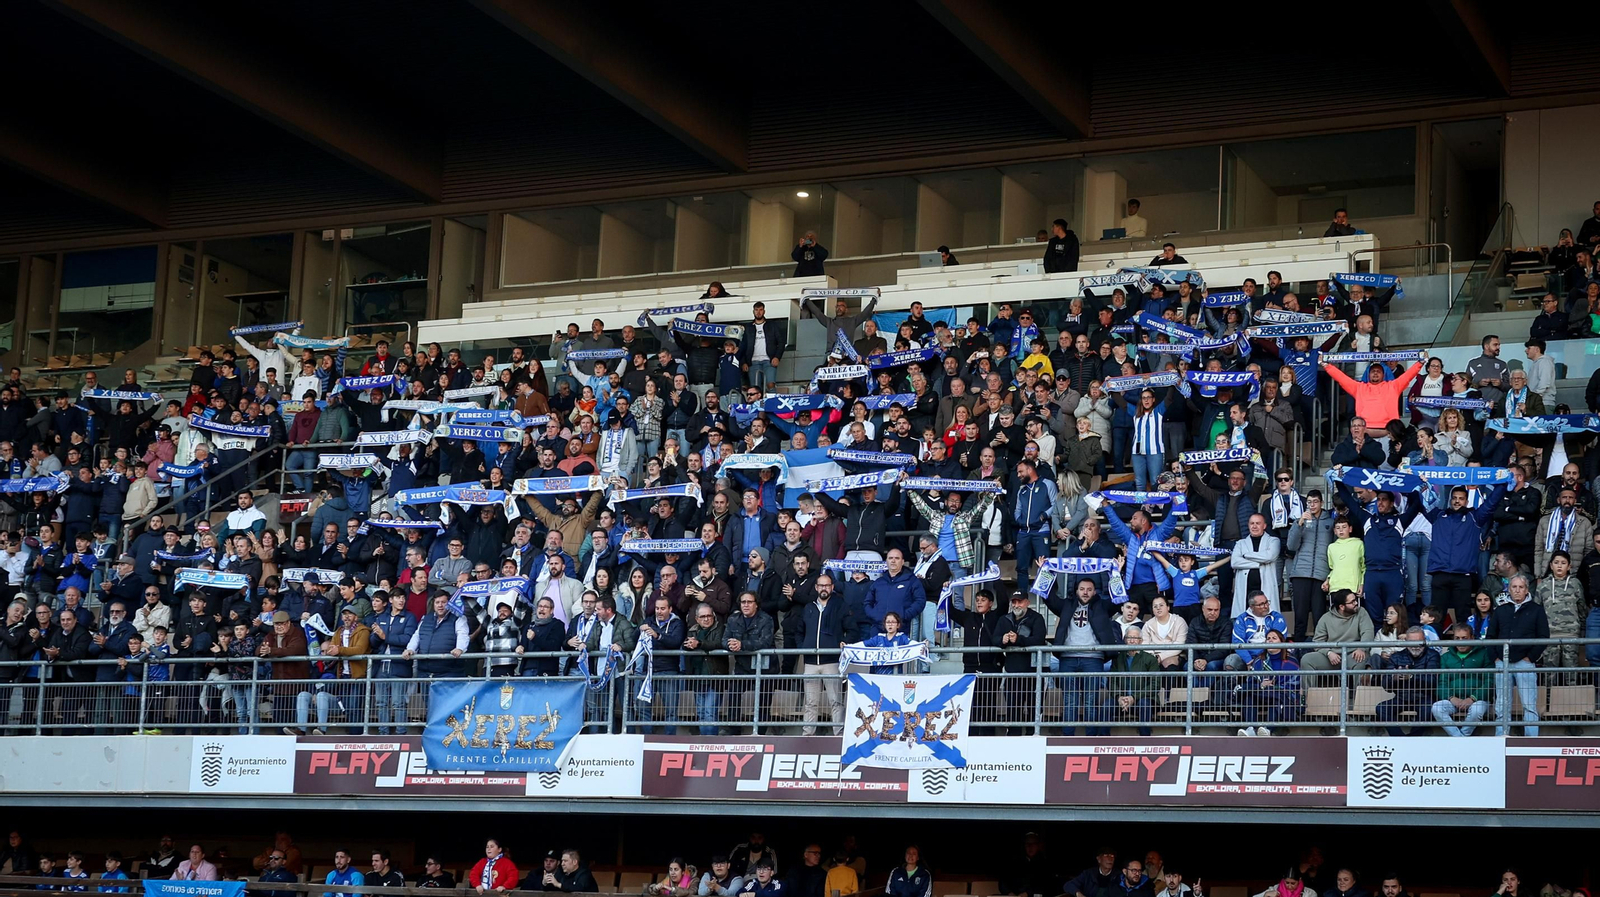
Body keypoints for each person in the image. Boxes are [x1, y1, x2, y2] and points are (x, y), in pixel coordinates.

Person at [1488, 574, 1549, 737]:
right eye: (1514, 587)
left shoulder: (1536, 609)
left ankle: (1531, 741)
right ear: (1509, 589)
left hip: (1525, 663)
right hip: (1502, 662)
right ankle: (1501, 738)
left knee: (1529, 704)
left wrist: (1530, 657)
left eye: (1521, 587)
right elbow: (1490, 636)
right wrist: (1495, 657)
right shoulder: (1500, 610)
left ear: (1526, 589)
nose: (1517, 590)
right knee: (1502, 704)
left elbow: (1543, 637)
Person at [1433, 623, 1492, 736]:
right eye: (1457, 638)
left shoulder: (1484, 654)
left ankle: (1460, 739)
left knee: (1477, 710)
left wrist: (1472, 698)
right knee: (1437, 708)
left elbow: (1489, 681)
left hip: (1477, 700)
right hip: (1454, 700)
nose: (1460, 641)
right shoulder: (1446, 657)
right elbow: (1442, 683)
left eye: (1464, 638)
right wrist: (1451, 698)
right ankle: (1461, 739)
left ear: (1472, 638)